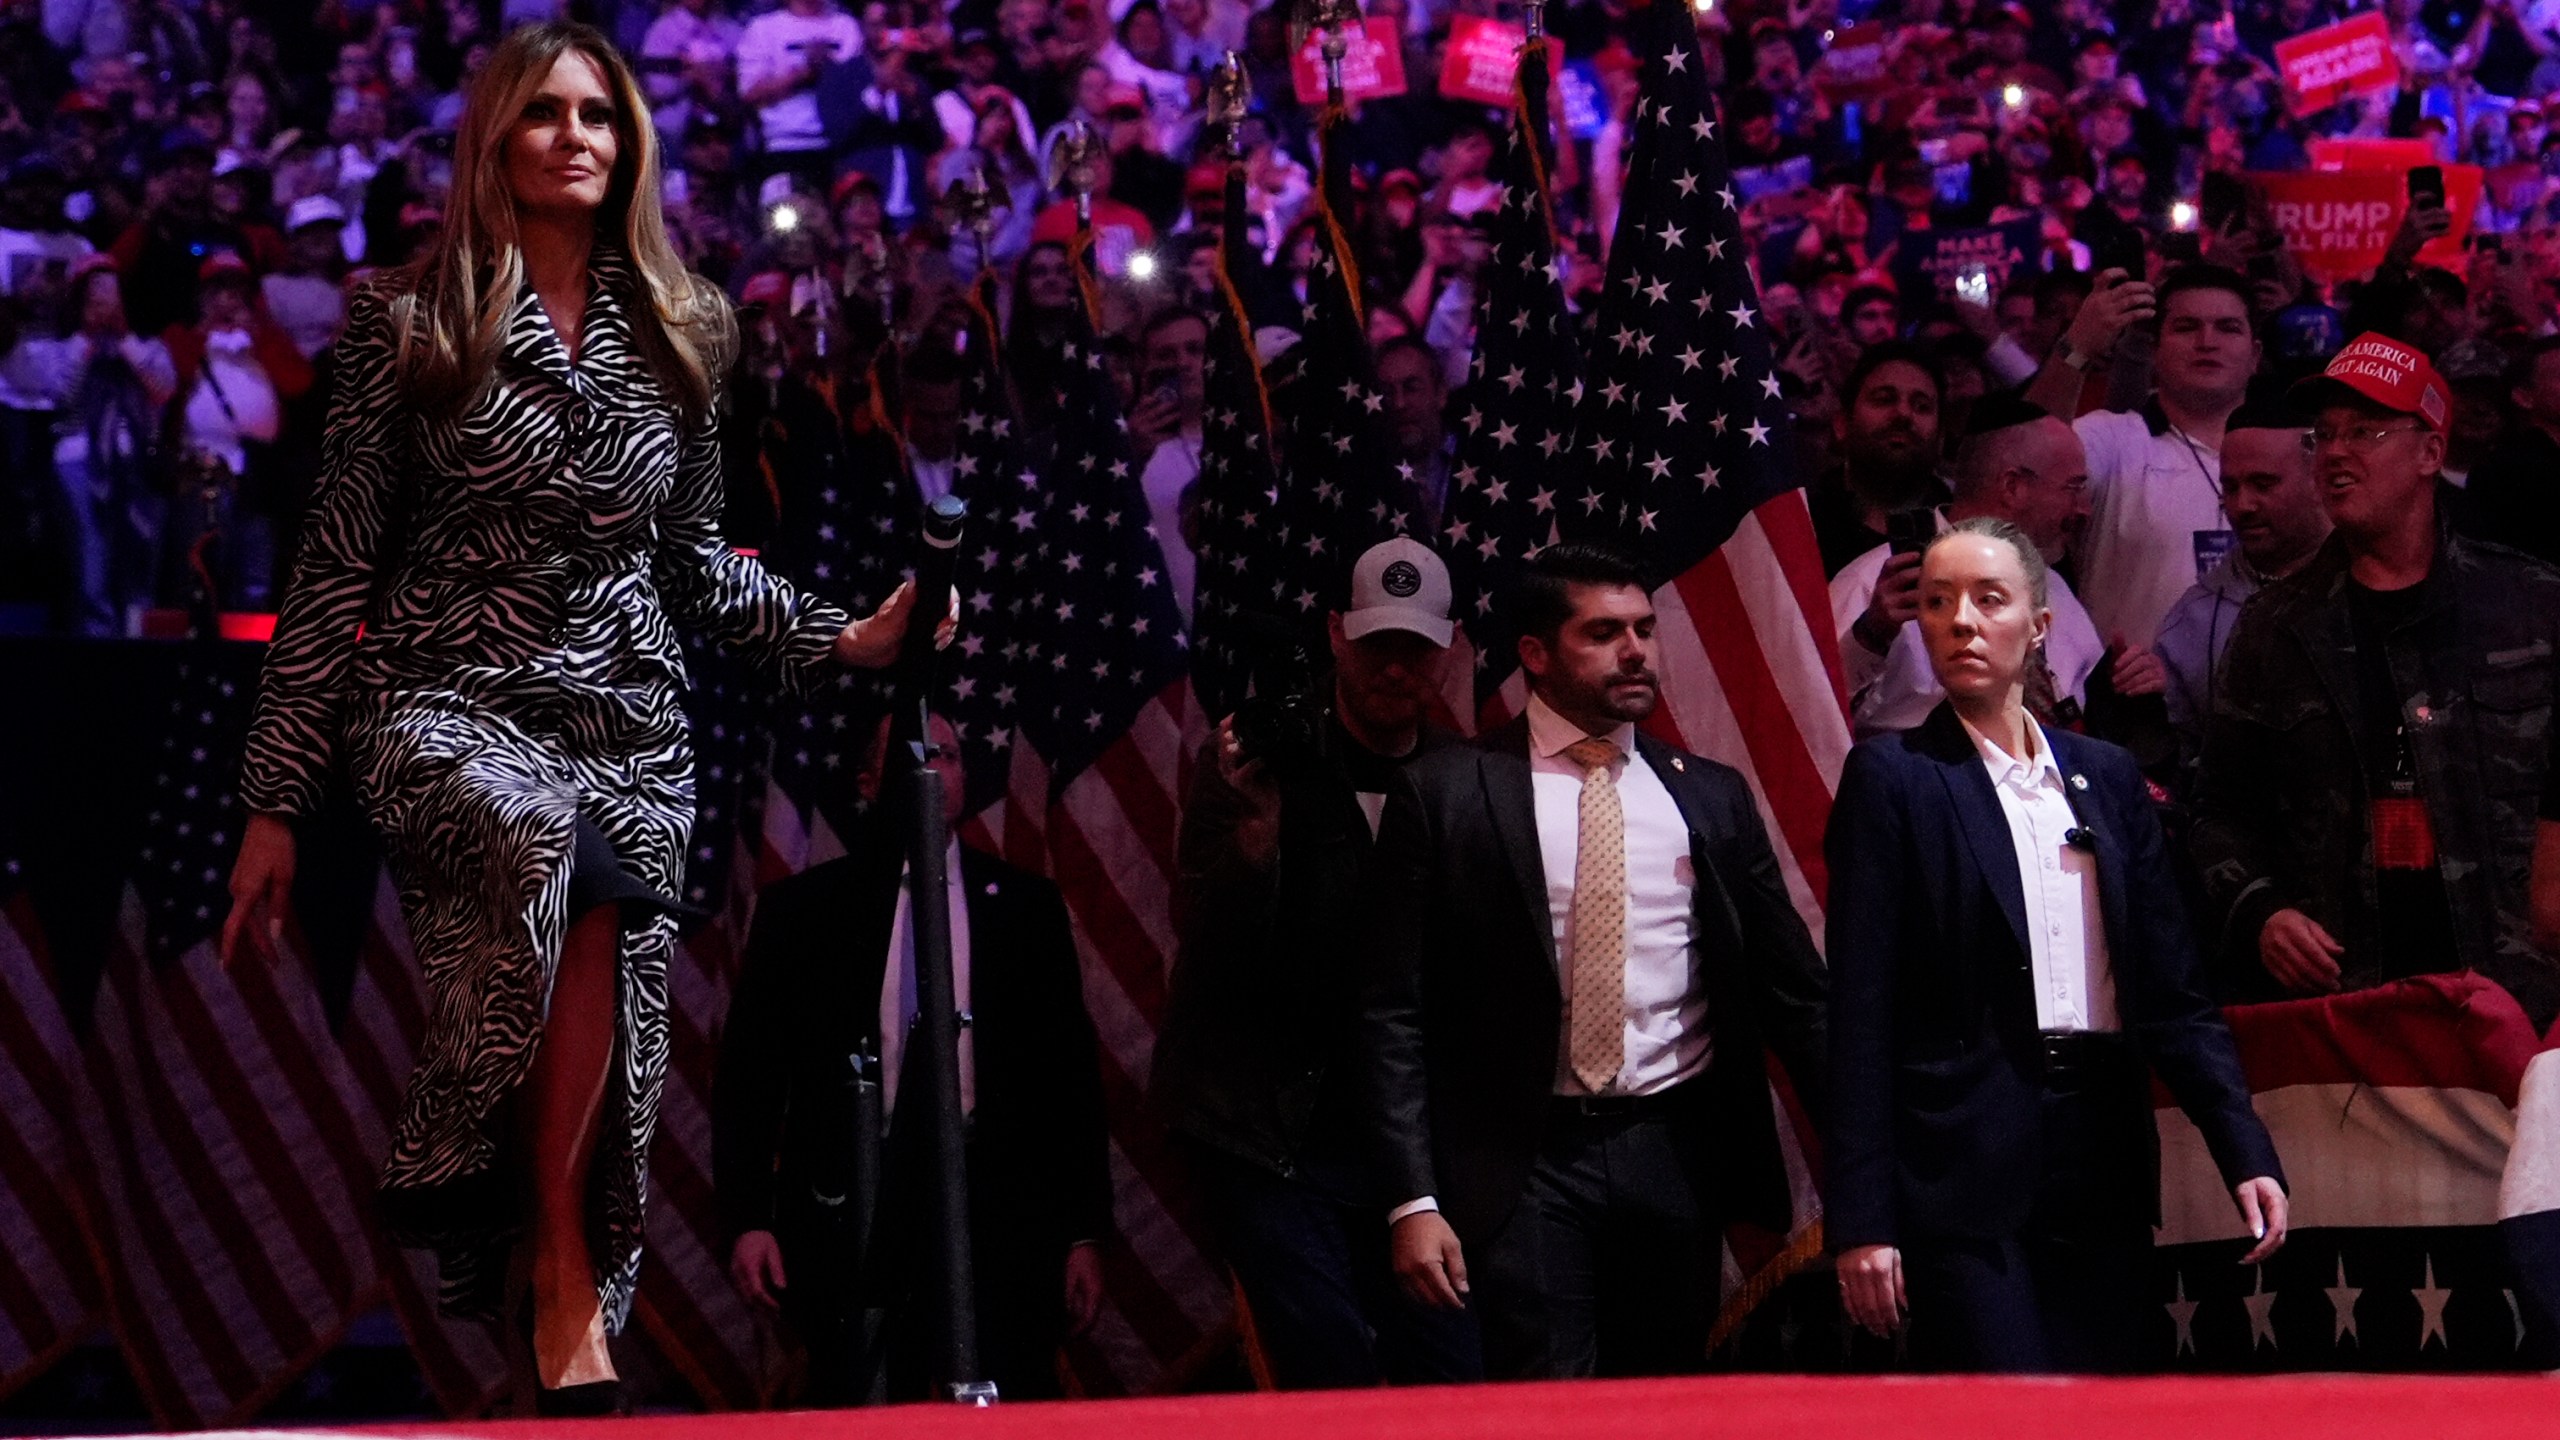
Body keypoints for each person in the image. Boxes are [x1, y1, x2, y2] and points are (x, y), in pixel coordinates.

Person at [218, 25, 937, 1415]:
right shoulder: (404, 318)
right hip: (445, 706)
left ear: (630, 145)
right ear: (495, 138)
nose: (574, 137)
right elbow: (335, 564)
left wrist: (842, 634)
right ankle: (527, 1236)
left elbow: (694, 560)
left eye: (598, 116)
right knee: (558, 854)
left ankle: (543, 1274)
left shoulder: (691, 324)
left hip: (628, 723)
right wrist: (273, 802)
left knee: (614, 997)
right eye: (542, 114)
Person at [1825, 513, 2288, 1373]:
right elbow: (1859, 1012)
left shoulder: (2105, 776)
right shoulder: (1894, 777)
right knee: (2008, 1410)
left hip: (2101, 1154)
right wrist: (1862, 1219)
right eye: (1936, 601)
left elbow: (2175, 994)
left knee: (2112, 1407)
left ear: (2038, 625)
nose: (1959, 620)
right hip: (1962, 1169)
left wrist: (2243, 1147)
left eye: (1987, 598)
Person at [1359, 542, 1827, 1380]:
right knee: (1547, 1405)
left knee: (1666, 1402)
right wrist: (1413, 1198)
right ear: (1536, 655)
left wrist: (1867, 1158)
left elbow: (1794, 993)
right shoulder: (1449, 789)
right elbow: (1391, 1007)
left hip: (1675, 1150)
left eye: (1644, 628)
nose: (1637, 649)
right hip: (1525, 1161)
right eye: (1604, 632)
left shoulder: (1708, 794)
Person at [1155, 537, 1482, 1390]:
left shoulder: (1468, 781)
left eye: (1416, 649)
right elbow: (1200, 942)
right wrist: (1256, 840)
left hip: (1402, 1130)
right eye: (1378, 645)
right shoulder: (1263, 762)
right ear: (1337, 633)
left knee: (1449, 1368)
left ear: (1448, 649)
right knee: (1329, 1364)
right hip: (1268, 1123)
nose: (1395, 669)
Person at [716, 713, 1109, 1405]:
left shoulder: (1025, 909)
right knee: (857, 1399)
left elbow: (1068, 1082)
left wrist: (1082, 1231)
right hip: (853, 1207)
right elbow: (749, 1079)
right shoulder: (803, 915)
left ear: (964, 776)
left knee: (1009, 1398)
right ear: (868, 783)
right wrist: (749, 1218)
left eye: (948, 754)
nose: (931, 768)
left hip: (997, 1206)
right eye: (909, 754)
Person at [2196, 334, 2560, 1027]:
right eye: (2325, 435)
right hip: (2346, 1015)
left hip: (2521, 1005)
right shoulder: (2275, 627)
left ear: (2429, 453)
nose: (2336, 452)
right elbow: (2217, 812)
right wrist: (2262, 912)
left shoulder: (2535, 605)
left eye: (2366, 431)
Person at [1831, 397, 2161, 739]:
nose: (2085, 509)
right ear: (2013, 486)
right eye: (2074, 488)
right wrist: (1872, 636)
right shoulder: (1872, 584)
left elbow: (2080, 711)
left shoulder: (2053, 586)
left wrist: (2129, 685)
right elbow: (1812, 713)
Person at [2026, 265, 2260, 651]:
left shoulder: (2295, 450)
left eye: (2228, 328)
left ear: (2255, 355)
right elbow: (2025, 456)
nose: (2207, 341)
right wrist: (2077, 346)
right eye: (2186, 327)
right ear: (2154, 350)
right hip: (2134, 701)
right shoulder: (2113, 439)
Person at [2153, 398, 2330, 782]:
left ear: (2319, 479)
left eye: (2263, 485)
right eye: (2230, 487)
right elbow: (2180, 771)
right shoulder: (2194, 618)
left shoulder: (2375, 585)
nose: (2242, 505)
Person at [1806, 341, 1948, 578]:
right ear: (1841, 424)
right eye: (1884, 400)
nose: (1903, 414)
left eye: (1921, 406)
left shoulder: (1963, 527)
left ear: (1941, 438)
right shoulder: (1802, 524)